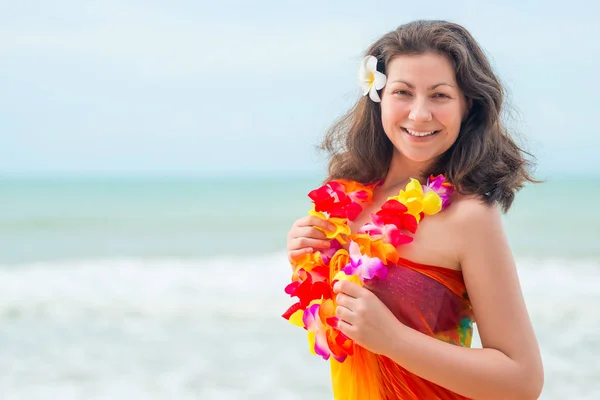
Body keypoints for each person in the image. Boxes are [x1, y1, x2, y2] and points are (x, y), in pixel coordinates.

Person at [285, 20, 544, 399]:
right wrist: (307, 252)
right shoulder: (344, 205)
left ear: (466, 105)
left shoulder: (468, 216)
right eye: (403, 92)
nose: (420, 114)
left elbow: (522, 382)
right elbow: (338, 333)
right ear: (378, 96)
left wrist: (394, 340)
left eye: (439, 95)